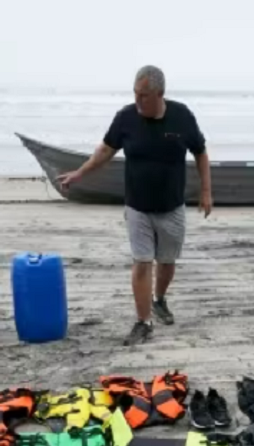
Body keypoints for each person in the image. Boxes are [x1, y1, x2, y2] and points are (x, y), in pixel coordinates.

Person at [58, 65, 212, 346]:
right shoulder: (125, 118)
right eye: (136, 94)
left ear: (160, 94)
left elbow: (200, 152)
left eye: (144, 95)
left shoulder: (182, 116)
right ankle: (143, 322)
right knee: (142, 262)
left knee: (166, 262)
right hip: (137, 206)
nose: (139, 100)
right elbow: (105, 150)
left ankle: (159, 299)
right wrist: (79, 173)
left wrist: (206, 192)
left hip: (172, 206)